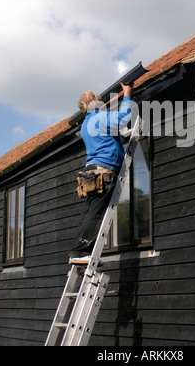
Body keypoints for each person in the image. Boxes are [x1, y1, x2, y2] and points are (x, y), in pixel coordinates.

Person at [69, 82, 134, 264]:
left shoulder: (86, 124)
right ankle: (80, 252)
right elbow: (123, 118)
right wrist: (127, 95)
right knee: (95, 212)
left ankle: (78, 250)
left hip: (91, 171)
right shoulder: (99, 118)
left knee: (89, 211)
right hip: (104, 170)